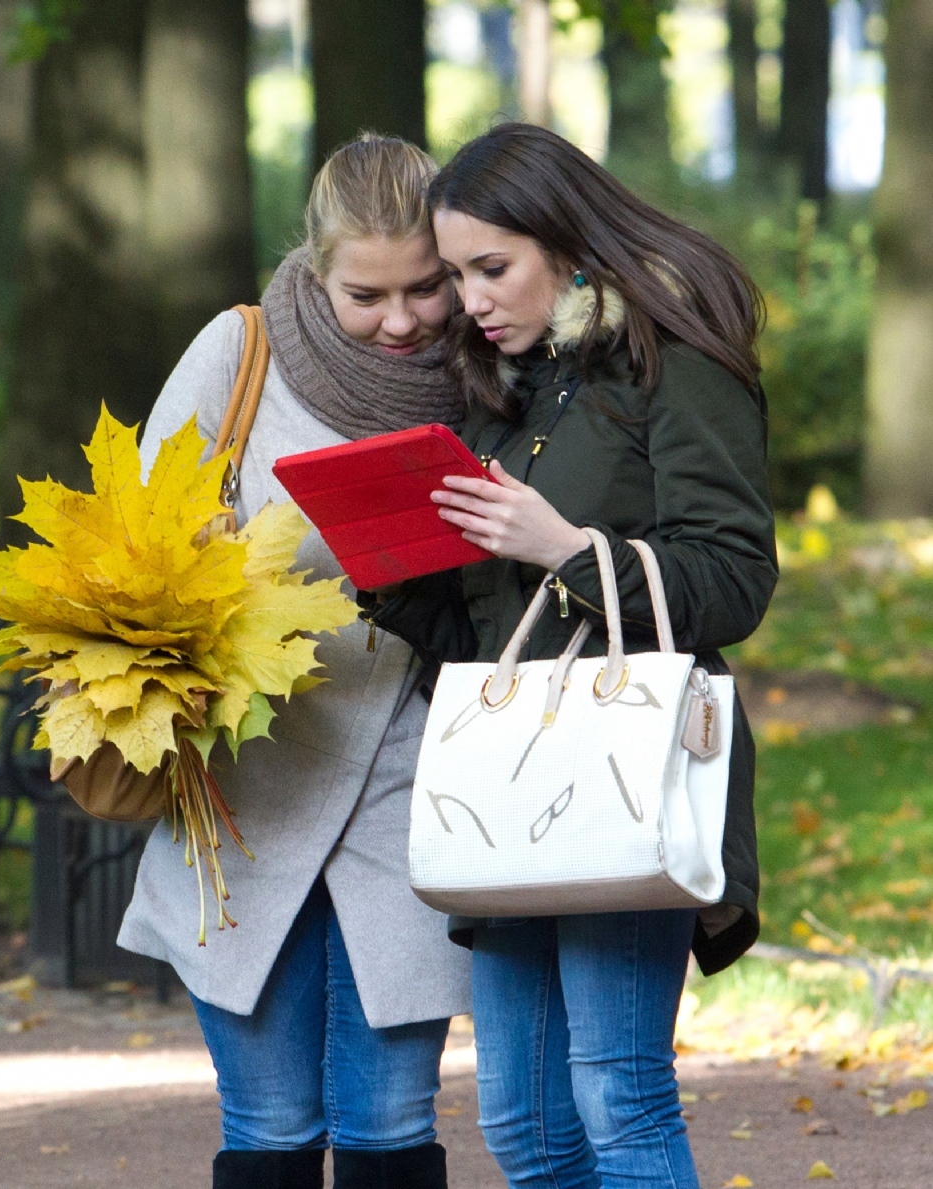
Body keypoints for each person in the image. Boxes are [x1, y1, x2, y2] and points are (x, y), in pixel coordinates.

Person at [360, 122, 775, 1188]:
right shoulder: (507, 389)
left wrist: (566, 548)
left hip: (620, 770)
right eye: (455, 274)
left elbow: (733, 578)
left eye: (489, 268)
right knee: (525, 1127)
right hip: (506, 790)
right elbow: (492, 634)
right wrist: (390, 572)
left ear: (569, 244)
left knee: (615, 1094)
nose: (468, 299)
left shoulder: (668, 358)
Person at [116, 134, 470, 1189]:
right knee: (268, 1121)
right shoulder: (241, 351)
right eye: (367, 294)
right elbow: (137, 544)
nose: (401, 320)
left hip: (413, 767)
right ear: (316, 270)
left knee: (389, 1119)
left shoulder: (485, 361)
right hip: (248, 774)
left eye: (425, 288)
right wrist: (212, 562)